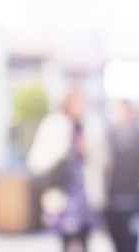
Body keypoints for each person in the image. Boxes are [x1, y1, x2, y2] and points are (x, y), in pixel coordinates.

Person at [27, 87, 108, 252]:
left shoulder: (91, 126)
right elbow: (37, 159)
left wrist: (88, 149)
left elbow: (105, 161)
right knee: (64, 239)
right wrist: (65, 148)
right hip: (63, 193)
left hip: (85, 195)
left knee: (85, 239)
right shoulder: (55, 124)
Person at [105, 101, 139, 252]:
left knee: (131, 243)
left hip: (133, 199)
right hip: (112, 200)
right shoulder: (109, 138)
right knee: (117, 243)